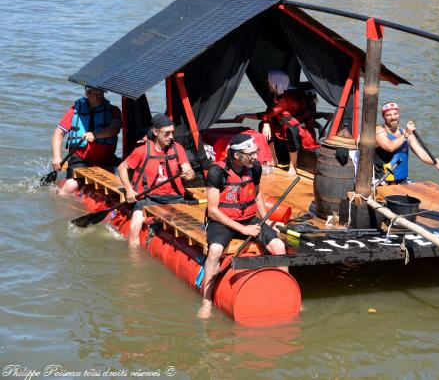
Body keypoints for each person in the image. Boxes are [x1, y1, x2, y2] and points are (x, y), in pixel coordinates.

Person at [198, 133, 287, 319]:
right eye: (251, 154)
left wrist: (266, 220)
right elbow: (213, 211)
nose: (256, 157)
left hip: (248, 218)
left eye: (256, 152)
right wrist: (242, 230)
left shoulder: (254, 168)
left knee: (279, 246)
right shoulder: (217, 172)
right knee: (214, 251)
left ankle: (285, 292)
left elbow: (256, 195)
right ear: (237, 155)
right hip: (222, 220)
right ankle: (207, 301)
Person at [117, 114, 195, 248]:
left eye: (172, 133)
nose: (170, 136)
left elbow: (189, 170)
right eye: (166, 133)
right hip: (147, 197)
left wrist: (190, 174)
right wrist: (129, 190)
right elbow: (122, 167)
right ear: (155, 132)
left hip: (174, 197)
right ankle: (134, 261)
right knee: (134, 227)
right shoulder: (142, 150)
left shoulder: (177, 148)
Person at [237, 70, 329, 177]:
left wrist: (261, 119)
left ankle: (293, 167)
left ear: (275, 82)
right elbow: (268, 114)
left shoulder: (286, 98)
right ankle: (273, 160)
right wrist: (249, 117)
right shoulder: (282, 94)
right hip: (287, 128)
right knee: (263, 125)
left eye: (269, 81)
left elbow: (267, 115)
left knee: (290, 130)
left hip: (302, 134)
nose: (267, 84)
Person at [51, 86, 122, 195]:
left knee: (127, 172)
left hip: (106, 158)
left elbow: (115, 128)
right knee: (71, 185)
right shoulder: (74, 110)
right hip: (80, 158)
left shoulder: (114, 111)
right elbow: (59, 132)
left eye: (102, 93)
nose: (100, 97)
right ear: (87, 94)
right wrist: (56, 156)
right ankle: (61, 199)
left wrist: (95, 134)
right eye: (97, 94)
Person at [374, 101, 439, 185]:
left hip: (402, 180)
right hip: (382, 179)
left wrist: (434, 161)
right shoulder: (379, 131)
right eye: (388, 115)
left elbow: (421, 154)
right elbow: (390, 147)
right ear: (383, 116)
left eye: (395, 113)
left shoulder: (405, 133)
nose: (393, 117)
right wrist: (406, 134)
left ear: (399, 114)